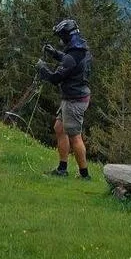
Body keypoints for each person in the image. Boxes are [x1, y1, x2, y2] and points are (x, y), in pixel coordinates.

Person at [36, 19, 93, 179]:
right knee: (59, 128)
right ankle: (62, 169)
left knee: (75, 136)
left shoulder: (73, 55)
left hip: (74, 101)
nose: (61, 40)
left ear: (67, 36)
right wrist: (54, 53)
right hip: (77, 96)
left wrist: (42, 69)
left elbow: (55, 78)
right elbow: (70, 61)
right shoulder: (82, 50)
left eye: (61, 36)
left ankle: (84, 175)